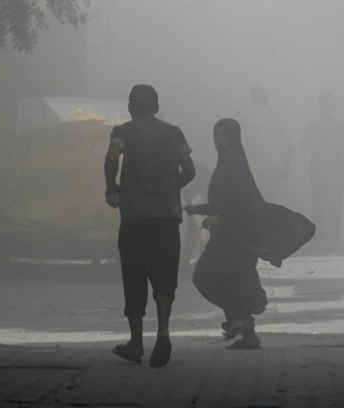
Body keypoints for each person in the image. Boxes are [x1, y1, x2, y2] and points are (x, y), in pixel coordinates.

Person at [104, 84, 196, 367]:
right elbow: (189, 171)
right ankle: (164, 333)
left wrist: (113, 189)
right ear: (156, 107)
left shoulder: (122, 132)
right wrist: (169, 188)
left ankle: (135, 342)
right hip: (167, 218)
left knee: (134, 276)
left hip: (134, 218)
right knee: (165, 277)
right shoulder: (175, 133)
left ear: (131, 107)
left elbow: (111, 159)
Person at [184, 118, 268, 350]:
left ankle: (241, 320)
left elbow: (241, 203)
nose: (218, 139)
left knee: (205, 277)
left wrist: (221, 218)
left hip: (236, 239)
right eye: (216, 134)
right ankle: (244, 328)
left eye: (223, 135)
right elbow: (222, 202)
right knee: (223, 281)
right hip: (224, 238)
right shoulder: (225, 163)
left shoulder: (235, 165)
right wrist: (199, 210)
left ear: (233, 138)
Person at [301, 92, 344, 252]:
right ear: (333, 107)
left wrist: (317, 144)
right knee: (333, 204)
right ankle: (333, 239)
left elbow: (304, 147)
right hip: (333, 171)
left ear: (320, 107)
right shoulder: (340, 127)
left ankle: (320, 239)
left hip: (318, 171)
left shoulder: (313, 126)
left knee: (319, 205)